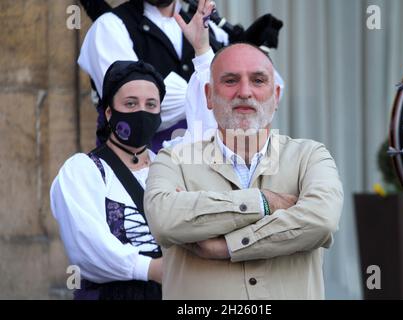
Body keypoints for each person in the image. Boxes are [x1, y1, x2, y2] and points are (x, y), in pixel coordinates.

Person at [144, 42, 344, 299]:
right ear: (208, 95)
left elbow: (322, 221)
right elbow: (164, 221)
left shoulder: (310, 156)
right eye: (230, 81)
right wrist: (263, 202)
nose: (245, 92)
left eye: (258, 80)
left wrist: (227, 246)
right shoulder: (174, 160)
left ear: (277, 96)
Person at [78, 0, 284, 151]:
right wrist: (221, 89)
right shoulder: (109, 27)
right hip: (139, 169)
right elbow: (148, 104)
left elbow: (271, 90)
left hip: (210, 168)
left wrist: (246, 52)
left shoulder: (207, 25)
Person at [50, 60, 166, 300]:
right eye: (130, 103)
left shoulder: (169, 166)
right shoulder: (83, 169)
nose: (141, 112)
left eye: (150, 104)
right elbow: (86, 246)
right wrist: (152, 269)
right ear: (109, 112)